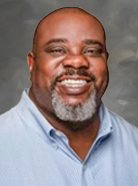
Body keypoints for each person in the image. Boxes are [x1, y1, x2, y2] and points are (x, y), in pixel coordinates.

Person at [0, 7, 138, 186]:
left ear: (105, 61)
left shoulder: (134, 145)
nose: (77, 61)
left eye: (91, 50)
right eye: (58, 50)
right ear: (32, 64)